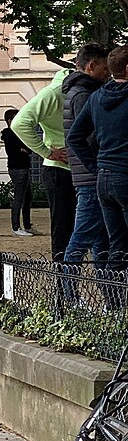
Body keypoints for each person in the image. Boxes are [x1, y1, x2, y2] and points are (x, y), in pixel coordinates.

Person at [68, 45, 128, 273]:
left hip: (105, 179)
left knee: (117, 244)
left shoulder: (97, 97)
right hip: (123, 175)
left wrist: (96, 166)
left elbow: (75, 137)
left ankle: (114, 302)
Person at [11, 67, 74, 260]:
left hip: (71, 167)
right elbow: (19, 123)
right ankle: (63, 280)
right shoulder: (54, 93)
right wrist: (48, 152)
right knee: (63, 228)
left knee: (72, 227)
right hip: (60, 169)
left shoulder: (70, 91)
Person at [62, 43, 112, 267]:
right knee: (81, 240)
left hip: (88, 176)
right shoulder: (84, 94)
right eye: (105, 69)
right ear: (92, 66)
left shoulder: (77, 91)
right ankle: (68, 296)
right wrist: (96, 168)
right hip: (91, 178)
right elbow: (87, 137)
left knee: (102, 242)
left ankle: (109, 297)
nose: (107, 74)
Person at [1, 111, 35, 236]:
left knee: (27, 197)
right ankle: (16, 227)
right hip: (18, 168)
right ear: (10, 121)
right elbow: (22, 148)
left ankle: (27, 225)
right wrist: (24, 149)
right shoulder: (10, 135)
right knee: (19, 198)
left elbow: (29, 148)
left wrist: (25, 149)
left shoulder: (18, 134)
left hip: (23, 167)